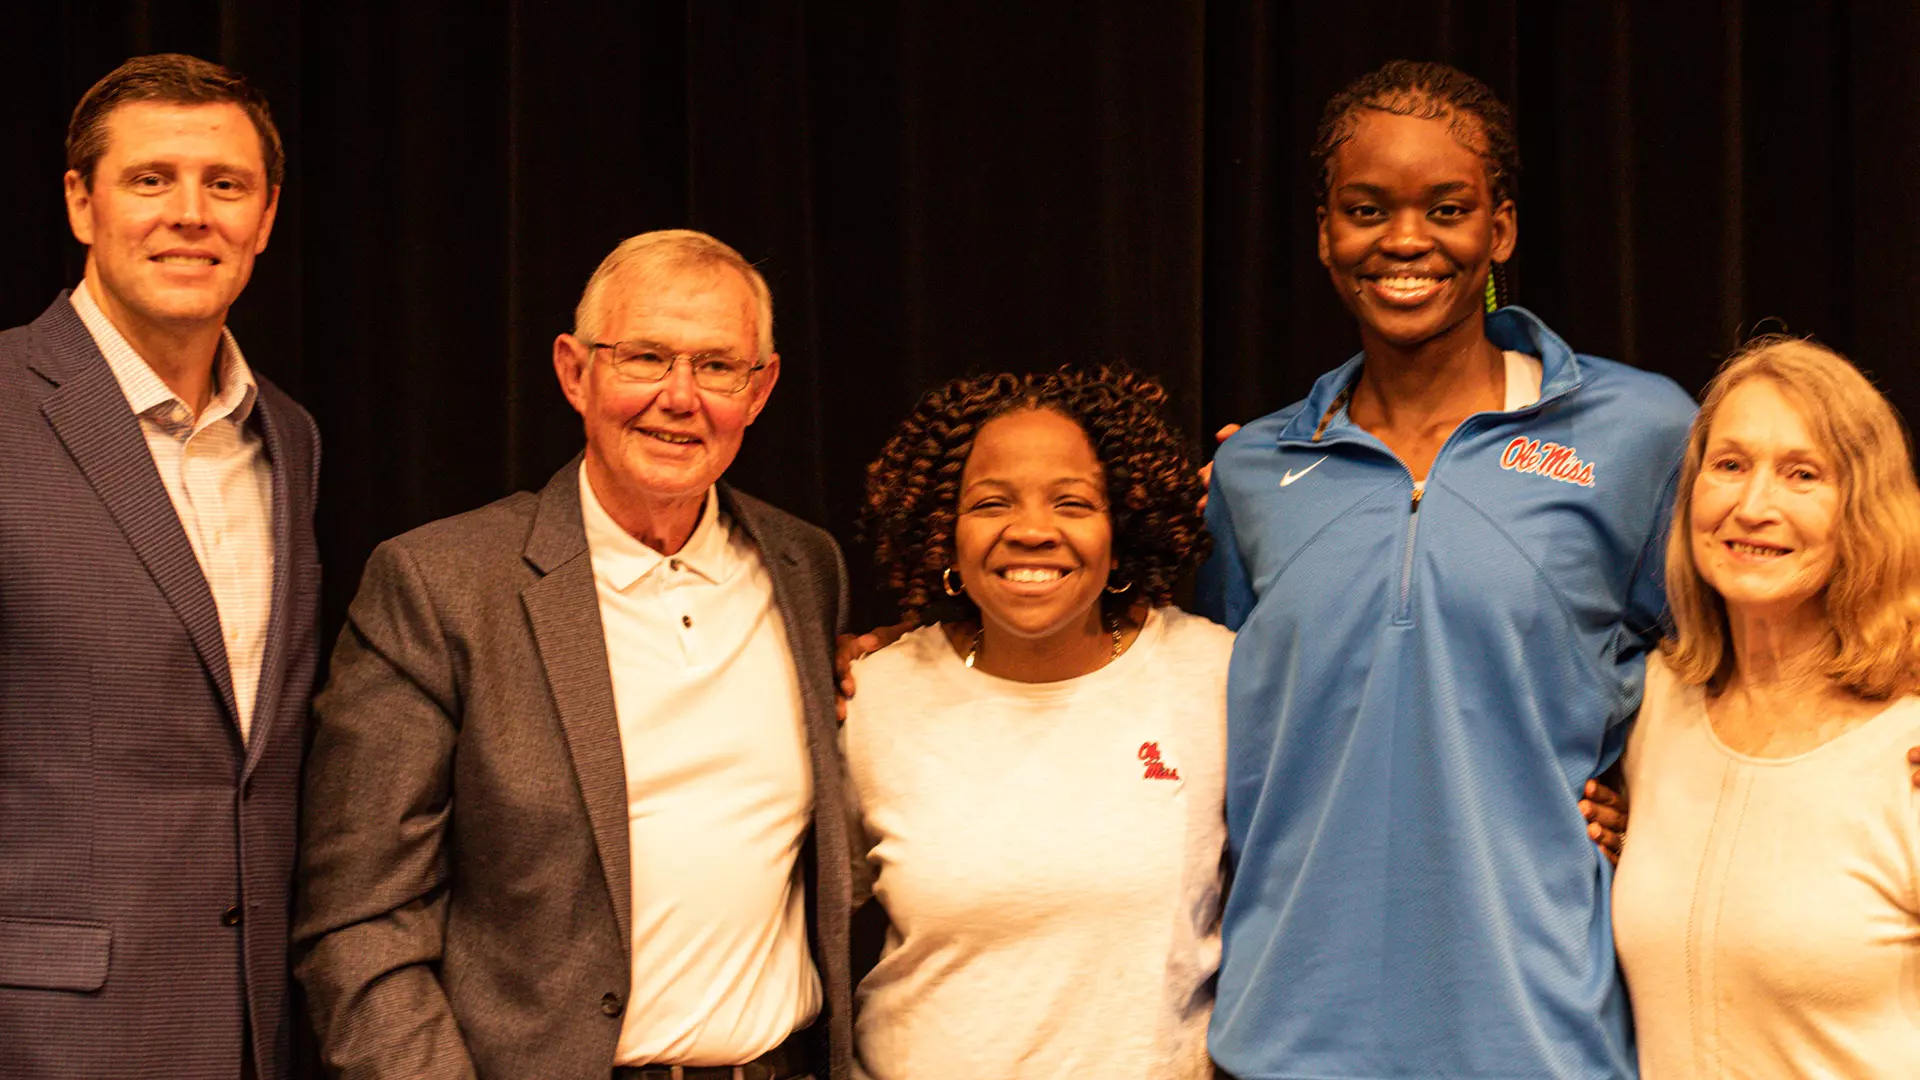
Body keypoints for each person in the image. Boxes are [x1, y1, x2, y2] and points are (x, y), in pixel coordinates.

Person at [1198, 60, 1695, 1079]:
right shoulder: (1255, 469)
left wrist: (1657, 791)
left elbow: (1735, 660)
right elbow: (1193, 700)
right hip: (1288, 1036)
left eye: (1448, 208)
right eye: (1366, 209)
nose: (1406, 241)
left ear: (1499, 230)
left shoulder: (1640, 431)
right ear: (1325, 233)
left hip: (1543, 1032)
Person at [295, 230, 851, 1080]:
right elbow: (359, 921)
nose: (679, 397)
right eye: (645, 358)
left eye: (716, 367)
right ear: (573, 371)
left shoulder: (805, 568)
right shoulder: (441, 585)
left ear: (761, 387)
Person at [0, 54, 319, 1080]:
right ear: (80, 203)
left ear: (265, 218)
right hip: (42, 1036)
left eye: (225, 185)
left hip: (253, 1031)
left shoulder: (292, 440)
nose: (191, 213)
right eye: (150, 180)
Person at [843, 367, 1230, 1079]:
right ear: (946, 532)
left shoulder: (1214, 679)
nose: (1031, 531)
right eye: (992, 502)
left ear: (1121, 530)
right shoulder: (872, 698)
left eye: (1073, 502)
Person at [1611, 337, 1920, 1077]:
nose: (1753, 506)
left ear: (1863, 508)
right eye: (1729, 465)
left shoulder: (1905, 749)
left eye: (1802, 474)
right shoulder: (1647, 710)